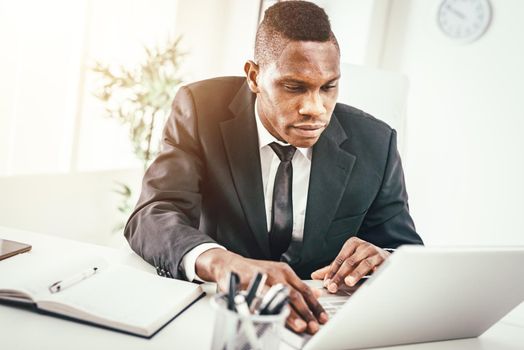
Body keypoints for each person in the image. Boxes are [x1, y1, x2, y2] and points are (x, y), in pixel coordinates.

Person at [124, 0, 423, 335]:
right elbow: (151, 215)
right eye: (294, 87)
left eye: (328, 87)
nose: (315, 108)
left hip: (325, 325)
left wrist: (383, 257)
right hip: (221, 316)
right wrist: (224, 264)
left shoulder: (376, 142)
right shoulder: (200, 109)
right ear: (254, 76)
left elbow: (406, 250)